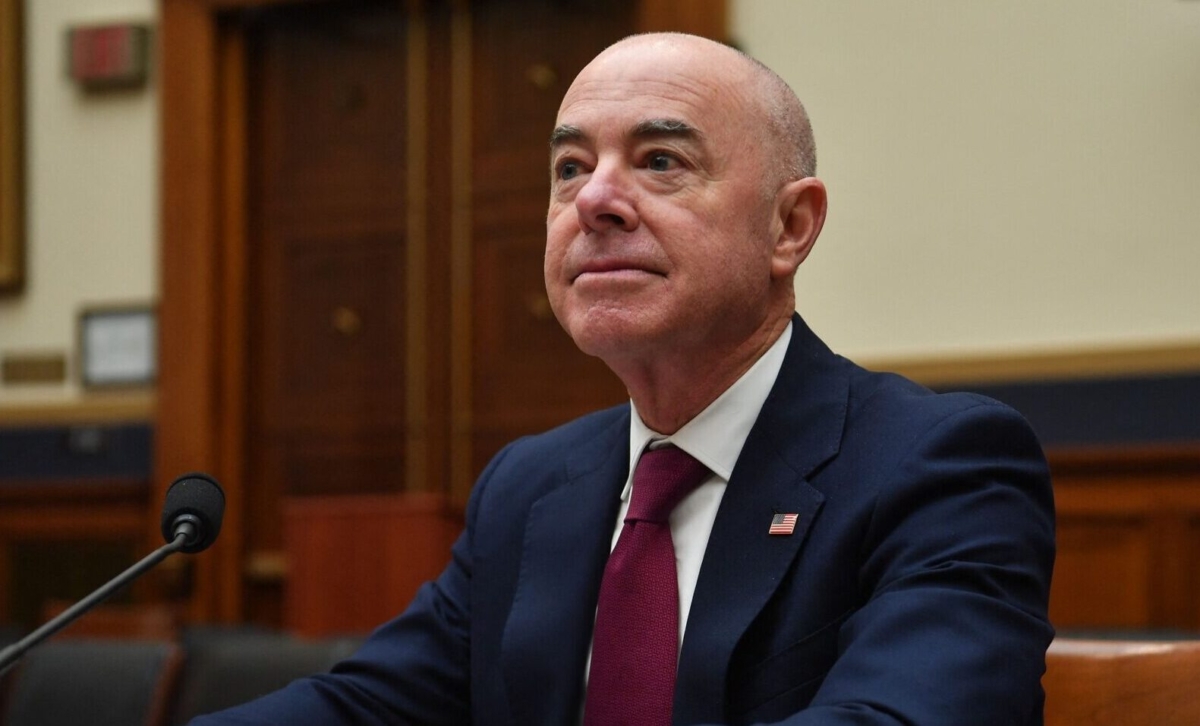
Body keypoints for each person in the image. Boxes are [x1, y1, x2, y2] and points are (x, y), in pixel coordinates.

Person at [193, 32, 1055, 725]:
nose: (594, 200)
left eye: (660, 162)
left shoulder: (941, 466)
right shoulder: (529, 487)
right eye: (569, 168)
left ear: (790, 226)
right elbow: (370, 704)